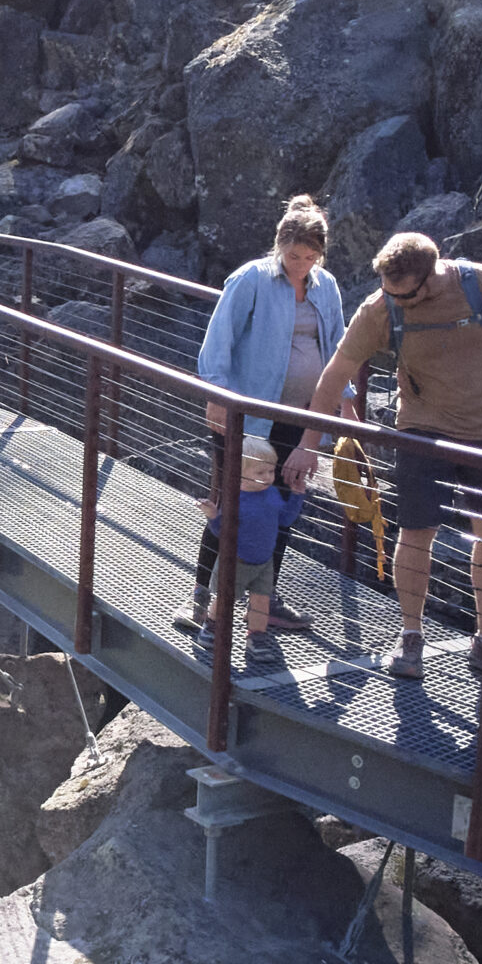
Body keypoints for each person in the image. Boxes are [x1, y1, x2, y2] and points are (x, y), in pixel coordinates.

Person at [305, 231, 482, 683]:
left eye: (404, 295)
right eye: (389, 292)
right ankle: (410, 636)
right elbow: (334, 373)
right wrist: (306, 444)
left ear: (431, 277)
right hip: (420, 434)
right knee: (415, 533)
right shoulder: (381, 307)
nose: (395, 301)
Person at [180, 197, 347, 635]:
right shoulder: (251, 279)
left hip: (300, 418)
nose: (301, 265)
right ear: (280, 247)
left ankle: (264, 601)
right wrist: (217, 395)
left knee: (281, 504)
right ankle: (200, 599)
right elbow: (219, 339)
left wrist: (344, 401)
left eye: (310, 258)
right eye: (294, 256)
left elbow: (338, 347)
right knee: (231, 504)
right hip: (247, 417)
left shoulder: (325, 285)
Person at [198, 434, 307, 666]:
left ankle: (256, 637)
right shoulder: (236, 500)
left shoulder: (272, 494)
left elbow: (285, 519)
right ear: (240, 474)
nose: (268, 477)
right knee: (225, 599)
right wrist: (213, 517)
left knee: (261, 601)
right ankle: (212, 624)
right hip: (235, 561)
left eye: (270, 471)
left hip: (264, 563)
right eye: (260, 473)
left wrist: (297, 496)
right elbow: (221, 532)